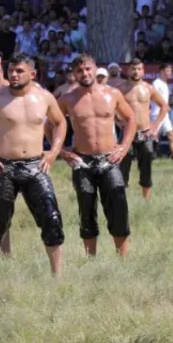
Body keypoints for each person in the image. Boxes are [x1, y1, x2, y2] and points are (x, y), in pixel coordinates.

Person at [0, 52, 67, 276]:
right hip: (3, 166)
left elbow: (60, 122)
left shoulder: (44, 97)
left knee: (51, 218)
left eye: (19, 71)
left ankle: (57, 278)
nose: (13, 75)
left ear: (32, 74)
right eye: (11, 70)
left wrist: (53, 152)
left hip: (35, 166)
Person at [57, 54, 137, 257]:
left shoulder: (112, 94)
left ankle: (123, 259)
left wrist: (124, 145)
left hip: (109, 159)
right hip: (82, 161)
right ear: (74, 74)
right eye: (80, 71)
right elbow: (51, 123)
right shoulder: (68, 99)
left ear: (95, 69)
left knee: (118, 207)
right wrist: (61, 151)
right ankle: (90, 259)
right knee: (86, 209)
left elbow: (130, 118)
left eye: (88, 69)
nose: (85, 73)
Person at [117, 58, 169, 200]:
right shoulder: (121, 89)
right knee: (123, 163)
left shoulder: (148, 88)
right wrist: (117, 121)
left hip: (145, 133)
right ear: (128, 70)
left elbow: (164, 106)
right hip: (128, 132)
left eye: (139, 69)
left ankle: (146, 200)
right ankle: (122, 198)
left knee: (146, 165)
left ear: (143, 71)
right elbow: (110, 108)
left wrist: (154, 126)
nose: (136, 71)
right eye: (133, 69)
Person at [152, 63, 173, 163]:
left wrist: (166, 105)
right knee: (154, 137)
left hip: (164, 114)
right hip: (156, 114)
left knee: (171, 135)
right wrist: (164, 105)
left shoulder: (165, 84)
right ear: (162, 71)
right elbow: (153, 97)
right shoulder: (156, 83)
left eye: (171, 71)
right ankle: (152, 157)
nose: (170, 73)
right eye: (168, 70)